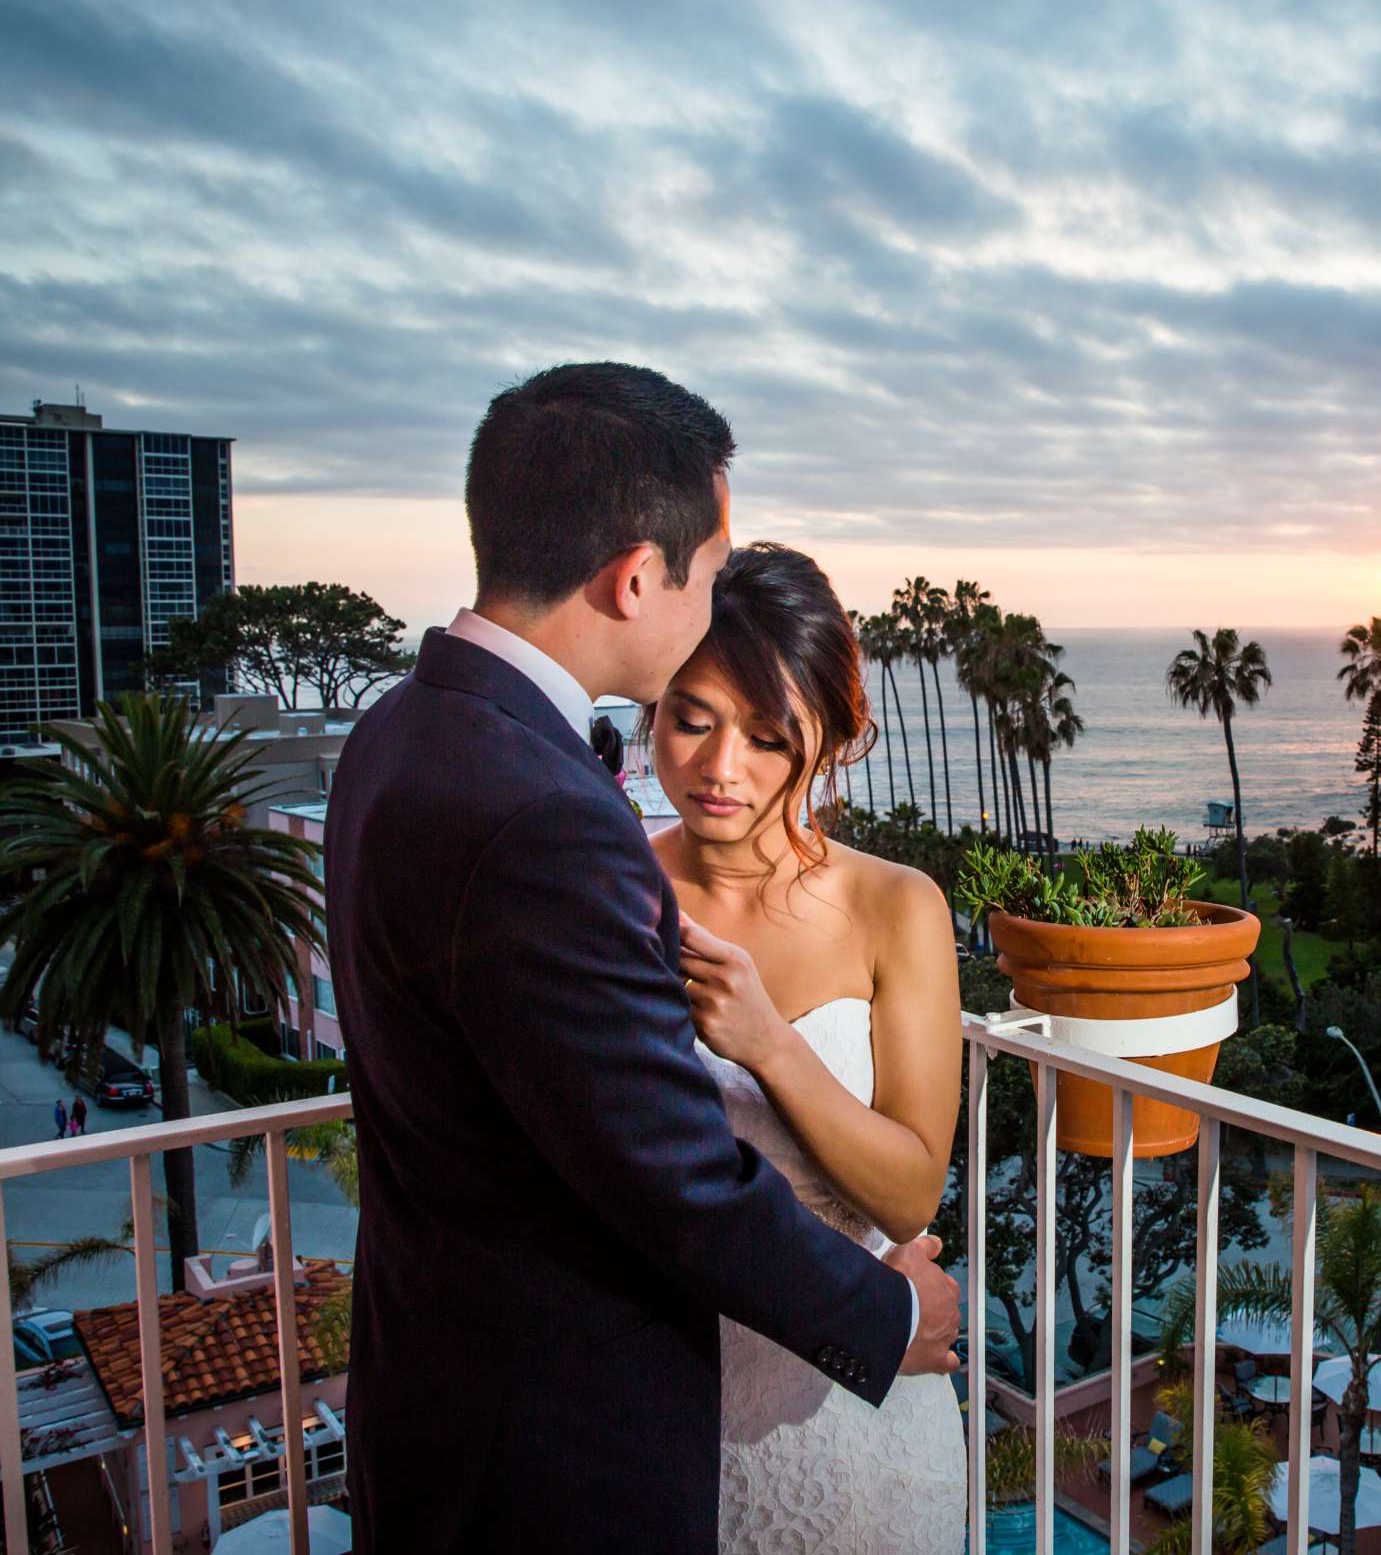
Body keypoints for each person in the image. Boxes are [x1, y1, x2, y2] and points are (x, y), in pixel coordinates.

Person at [325, 364, 961, 1554]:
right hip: (565, 1438)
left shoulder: (393, 731)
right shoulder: (555, 825)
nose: (723, 763)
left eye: (768, 736)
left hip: (456, 1400)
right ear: (635, 578)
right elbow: (676, 1184)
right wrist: (880, 1314)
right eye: (707, 571)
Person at [652, 542, 966, 1550]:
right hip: (670, 1405)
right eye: (690, 719)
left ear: (834, 737)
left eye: (766, 736)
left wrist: (770, 1045)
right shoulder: (613, 886)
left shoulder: (895, 907)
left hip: (866, 1409)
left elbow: (912, 1192)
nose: (718, 768)